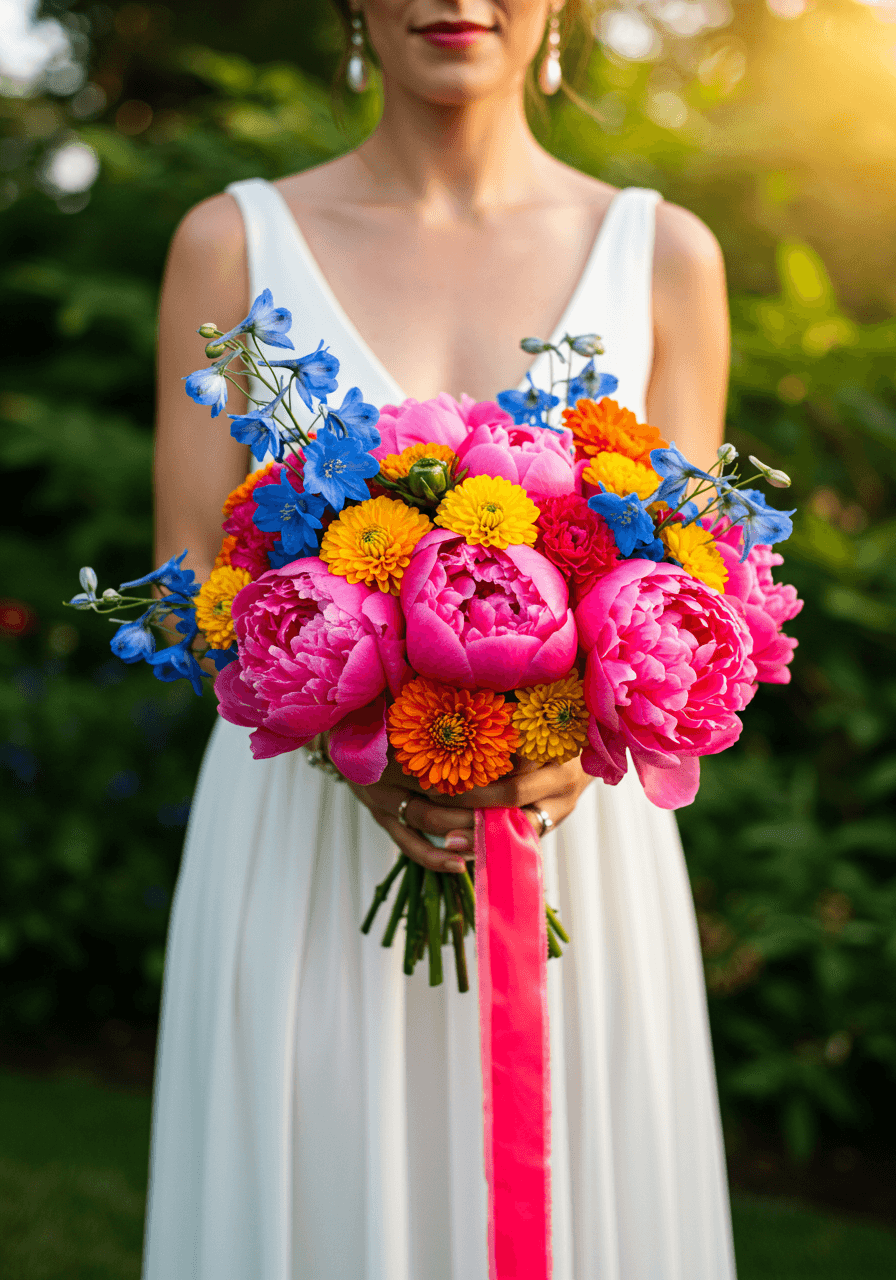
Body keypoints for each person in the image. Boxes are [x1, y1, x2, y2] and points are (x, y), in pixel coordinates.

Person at [144, 2, 735, 1277]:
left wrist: (585, 732)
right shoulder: (231, 244)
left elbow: (695, 582)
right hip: (301, 845)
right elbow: (194, 574)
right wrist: (349, 721)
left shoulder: (664, 254)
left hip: (579, 840)